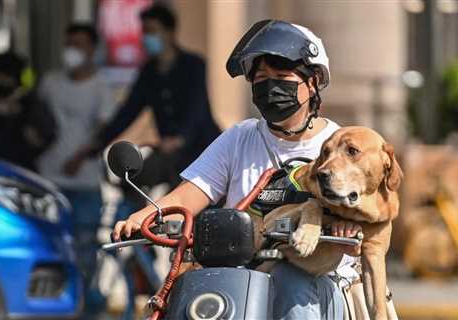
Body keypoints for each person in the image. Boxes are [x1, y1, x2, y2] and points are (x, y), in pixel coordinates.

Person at [113, 20, 362, 319]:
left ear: (313, 82)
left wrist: (350, 230)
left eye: (281, 76)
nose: (270, 86)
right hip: (240, 280)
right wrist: (146, 215)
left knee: (289, 281)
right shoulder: (240, 137)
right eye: (261, 79)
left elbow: (371, 211)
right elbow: (192, 192)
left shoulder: (343, 146)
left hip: (317, 279)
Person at [66, 4, 221, 190]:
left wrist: (180, 138)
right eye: (144, 31)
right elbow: (128, 111)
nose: (147, 37)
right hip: (169, 156)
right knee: (133, 185)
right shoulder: (148, 72)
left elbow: (197, 107)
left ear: (170, 32)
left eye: (152, 31)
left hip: (204, 151)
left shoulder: (193, 65)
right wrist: (96, 145)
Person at [37, 23, 116, 318]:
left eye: (79, 44)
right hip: (47, 180)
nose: (72, 50)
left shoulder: (101, 87)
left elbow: (104, 130)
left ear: (92, 50)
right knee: (49, 249)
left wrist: (79, 157)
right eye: (69, 43)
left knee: (84, 252)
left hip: (84, 181)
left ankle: (84, 311)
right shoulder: (50, 82)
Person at [0, 51, 56, 171]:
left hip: (20, 173)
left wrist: (19, 117)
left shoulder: (31, 107)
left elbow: (42, 141)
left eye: (5, 76)